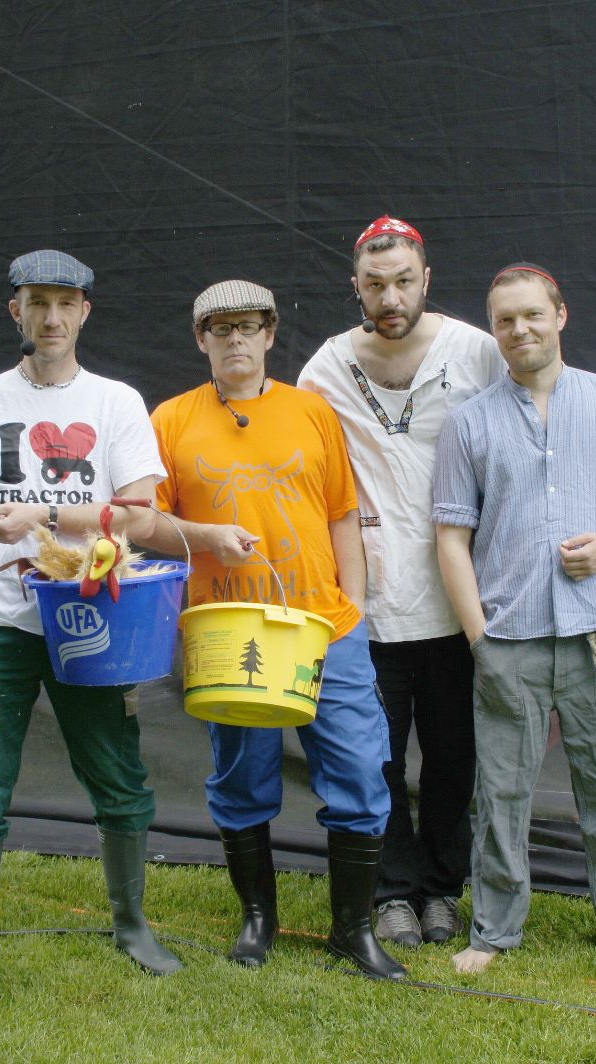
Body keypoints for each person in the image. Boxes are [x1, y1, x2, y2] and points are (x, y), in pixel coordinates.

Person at [0, 250, 178, 1014]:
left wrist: (46, 515)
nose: (52, 317)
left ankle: (132, 925)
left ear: (85, 312)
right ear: (17, 310)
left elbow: (138, 517)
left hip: (91, 618)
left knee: (119, 777)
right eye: (38, 302)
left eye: (67, 303)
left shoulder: (115, 403)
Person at [432, 265, 596, 984]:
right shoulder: (470, 422)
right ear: (494, 330)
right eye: (505, 320)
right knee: (500, 796)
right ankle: (493, 931)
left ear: (561, 316)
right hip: (507, 640)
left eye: (532, 315)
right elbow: (451, 539)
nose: (520, 330)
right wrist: (479, 637)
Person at [143, 279, 404, 981]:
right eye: (220, 328)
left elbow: (342, 512)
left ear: (269, 334)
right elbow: (147, 523)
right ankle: (258, 919)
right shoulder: (171, 420)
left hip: (325, 626)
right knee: (242, 775)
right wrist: (206, 537)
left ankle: (353, 929)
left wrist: (354, 604)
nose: (235, 339)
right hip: (229, 626)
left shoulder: (312, 412)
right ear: (201, 339)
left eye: (248, 326)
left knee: (359, 770)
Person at [297, 215, 503, 948]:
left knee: (452, 758)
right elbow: (309, 478)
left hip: (459, 597)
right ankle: (392, 892)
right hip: (369, 602)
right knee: (374, 759)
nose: (391, 298)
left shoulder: (476, 353)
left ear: (426, 279)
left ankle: (442, 888)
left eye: (404, 282)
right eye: (375, 284)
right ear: (355, 286)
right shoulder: (325, 369)